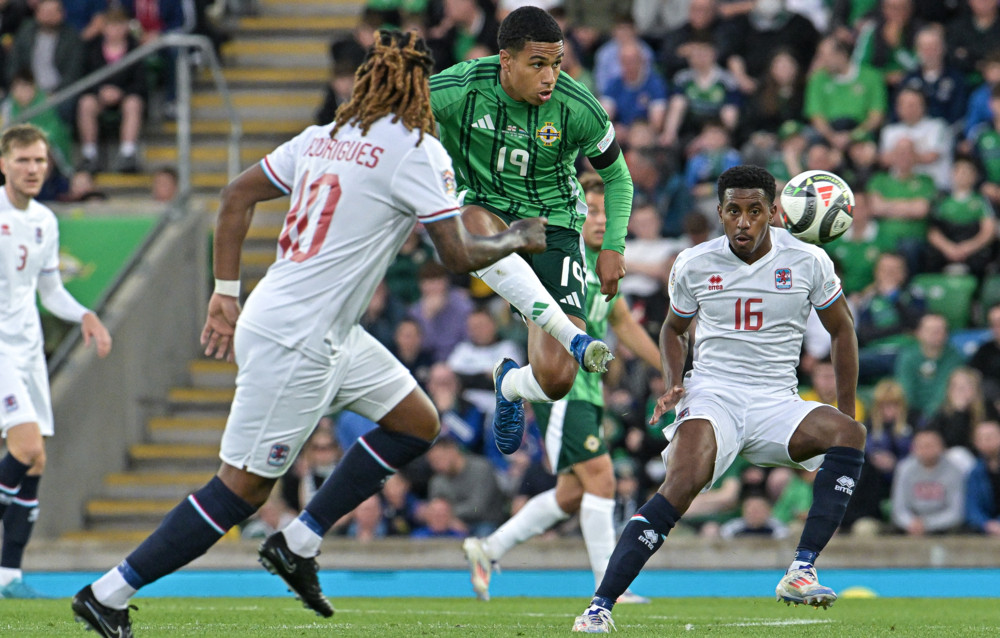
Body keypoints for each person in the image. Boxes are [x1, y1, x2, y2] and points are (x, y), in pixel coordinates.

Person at [70, 30, 548, 635]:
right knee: (241, 491)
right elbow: (455, 255)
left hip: (315, 324)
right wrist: (515, 237)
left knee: (416, 422)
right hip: (297, 339)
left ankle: (299, 541)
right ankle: (107, 594)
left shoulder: (323, 136)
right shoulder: (416, 150)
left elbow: (236, 196)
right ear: (419, 89)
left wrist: (224, 292)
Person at [572, 165, 866, 632]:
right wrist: (674, 381)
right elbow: (673, 329)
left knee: (851, 434)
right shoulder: (693, 262)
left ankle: (801, 569)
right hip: (714, 394)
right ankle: (599, 606)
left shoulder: (808, 260)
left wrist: (845, 413)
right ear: (720, 213)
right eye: (733, 211)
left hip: (777, 400)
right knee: (680, 484)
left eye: (755, 211)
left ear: (774, 212)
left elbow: (842, 330)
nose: (743, 222)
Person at [430, 6, 632, 456]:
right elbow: (395, 114)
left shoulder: (577, 106)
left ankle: (510, 383)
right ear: (506, 60)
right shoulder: (461, 89)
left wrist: (613, 246)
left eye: (557, 64)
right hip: (487, 211)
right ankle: (572, 337)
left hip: (554, 228)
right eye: (537, 64)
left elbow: (618, 177)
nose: (550, 77)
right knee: (470, 223)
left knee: (557, 380)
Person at [461, 171, 662, 603]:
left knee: (572, 494)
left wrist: (670, 368)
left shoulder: (604, 266)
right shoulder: (559, 260)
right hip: (565, 388)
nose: (599, 220)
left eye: (606, 213)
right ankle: (611, 585)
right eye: (592, 211)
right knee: (602, 478)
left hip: (588, 390)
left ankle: (488, 548)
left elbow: (623, 323)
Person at [0, 123, 112, 598]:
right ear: (4, 164)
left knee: (36, 461)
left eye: (40, 161)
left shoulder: (45, 220)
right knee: (25, 448)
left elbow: (49, 291)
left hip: (27, 348)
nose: (32, 169)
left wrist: (84, 313)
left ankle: (8, 576)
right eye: (23, 160)